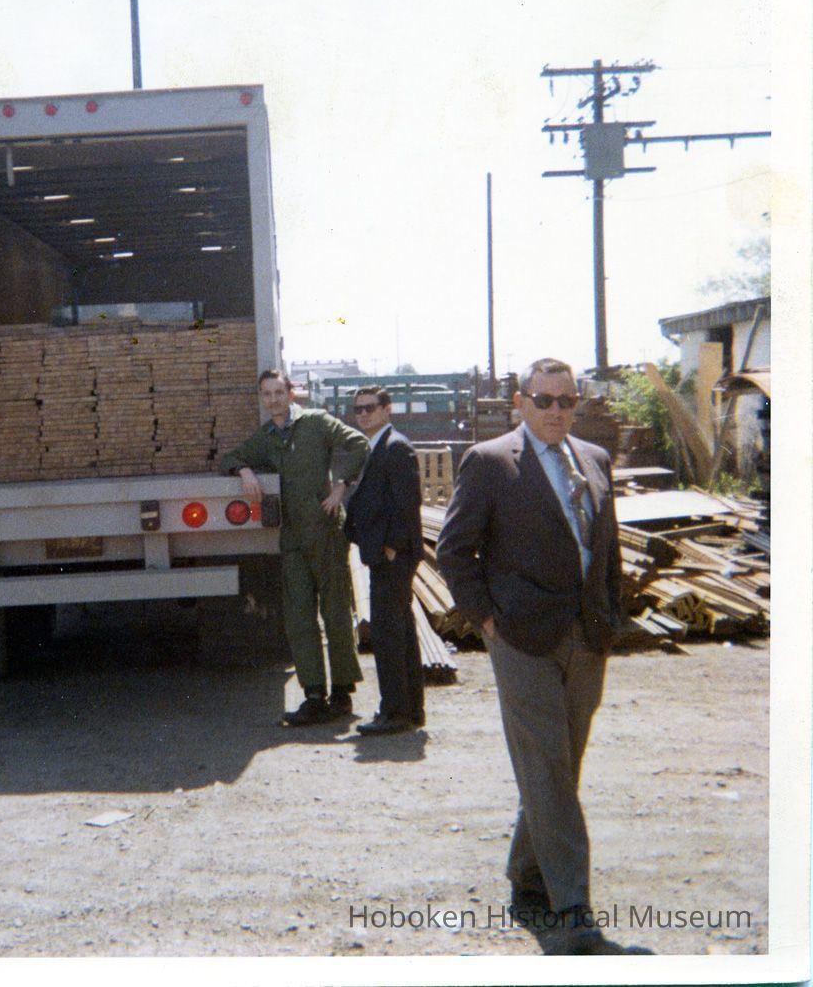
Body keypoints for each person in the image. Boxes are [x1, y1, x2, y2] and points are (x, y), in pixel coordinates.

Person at [436, 357, 622, 955]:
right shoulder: (491, 462)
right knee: (546, 767)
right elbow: (453, 549)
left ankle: (526, 874)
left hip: (585, 637)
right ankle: (574, 912)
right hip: (521, 641)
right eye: (544, 400)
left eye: (566, 401)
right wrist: (489, 622)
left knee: (560, 767)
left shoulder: (595, 459)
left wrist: (611, 617)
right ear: (521, 403)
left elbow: (608, 549)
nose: (556, 411)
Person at [220, 371, 369, 725]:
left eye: (278, 392)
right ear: (262, 398)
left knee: (335, 612)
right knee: (299, 616)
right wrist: (245, 471)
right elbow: (231, 457)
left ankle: (342, 692)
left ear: (290, 394)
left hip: (325, 530)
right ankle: (314, 695)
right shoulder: (267, 437)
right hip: (293, 538)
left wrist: (341, 486)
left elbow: (358, 444)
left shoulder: (316, 422)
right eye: (266, 394)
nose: (272, 399)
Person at [343, 386, 426, 736]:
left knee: (390, 636)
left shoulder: (395, 448)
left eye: (370, 408)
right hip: (386, 556)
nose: (363, 414)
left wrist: (392, 546)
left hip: (393, 558)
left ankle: (394, 713)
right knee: (399, 633)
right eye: (358, 409)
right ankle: (409, 710)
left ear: (387, 409)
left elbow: (408, 503)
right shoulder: (377, 447)